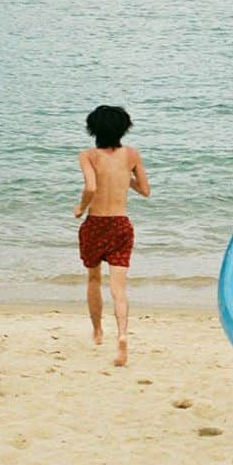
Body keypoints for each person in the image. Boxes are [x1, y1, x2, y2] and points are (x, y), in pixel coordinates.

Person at [74, 105, 151, 367]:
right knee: (119, 288)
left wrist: (80, 208)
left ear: (93, 128)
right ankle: (122, 335)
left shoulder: (88, 156)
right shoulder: (132, 155)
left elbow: (91, 187)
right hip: (121, 224)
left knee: (94, 279)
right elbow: (145, 190)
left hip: (96, 223)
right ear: (123, 128)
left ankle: (97, 331)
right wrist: (124, 177)